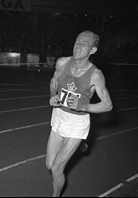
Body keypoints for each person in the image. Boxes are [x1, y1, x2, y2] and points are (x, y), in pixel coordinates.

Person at [46, 30, 113, 197]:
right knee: (49, 165)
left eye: (85, 44)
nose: (79, 45)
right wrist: (52, 96)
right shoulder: (62, 63)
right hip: (59, 115)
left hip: (77, 122)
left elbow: (107, 105)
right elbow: (53, 81)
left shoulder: (96, 75)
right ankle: (82, 144)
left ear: (92, 50)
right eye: (77, 41)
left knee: (56, 169)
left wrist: (84, 107)